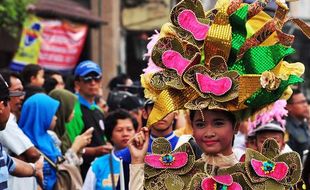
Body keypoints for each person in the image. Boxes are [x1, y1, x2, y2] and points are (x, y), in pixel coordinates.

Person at [127, 0, 307, 188]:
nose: (209, 132)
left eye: (219, 123)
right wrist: (138, 161)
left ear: (236, 126)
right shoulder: (178, 178)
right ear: (192, 128)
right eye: (200, 124)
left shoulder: (259, 178)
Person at [18, 93, 93, 189]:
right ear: (41, 115)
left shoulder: (51, 137)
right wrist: (74, 148)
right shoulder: (24, 144)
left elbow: (61, 168)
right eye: (52, 114)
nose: (55, 117)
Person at [66, 60, 113, 179]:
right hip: (81, 174)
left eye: (96, 78)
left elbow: (103, 138)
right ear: (77, 84)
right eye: (87, 79)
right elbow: (70, 148)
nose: (93, 83)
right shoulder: (74, 109)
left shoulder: (98, 110)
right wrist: (95, 151)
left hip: (100, 172)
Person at [0, 74, 43, 190]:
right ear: (1, 106)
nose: (22, 97)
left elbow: (9, 162)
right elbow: (33, 154)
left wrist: (34, 169)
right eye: (17, 91)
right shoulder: (8, 123)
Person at [83, 109, 138, 190]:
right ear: (110, 135)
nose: (125, 134)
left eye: (129, 129)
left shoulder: (143, 161)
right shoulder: (98, 165)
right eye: (119, 130)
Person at [286, 89, 310, 159]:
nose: (306, 105)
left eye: (305, 101)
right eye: (301, 102)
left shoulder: (304, 123)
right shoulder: (286, 128)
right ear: (289, 107)